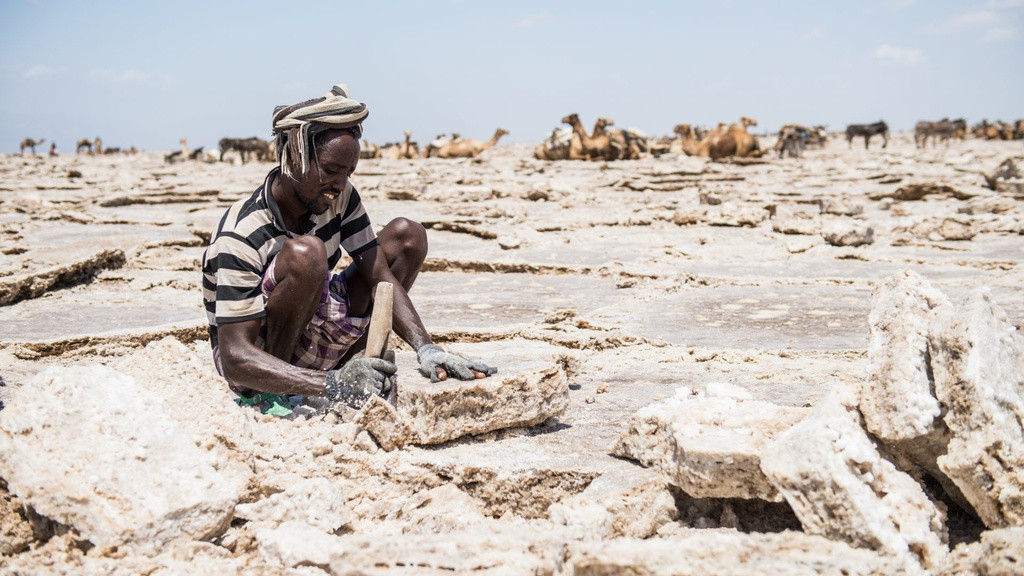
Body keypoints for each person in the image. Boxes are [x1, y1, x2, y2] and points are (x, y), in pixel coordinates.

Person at [201, 84, 496, 414]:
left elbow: (379, 276)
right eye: (330, 171)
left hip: (313, 327)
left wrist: (426, 348)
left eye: (348, 172)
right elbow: (235, 358)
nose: (340, 185)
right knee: (307, 255)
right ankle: (278, 395)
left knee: (407, 236)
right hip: (258, 365)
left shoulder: (338, 196)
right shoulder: (240, 234)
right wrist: (333, 385)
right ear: (294, 158)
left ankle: (361, 367)